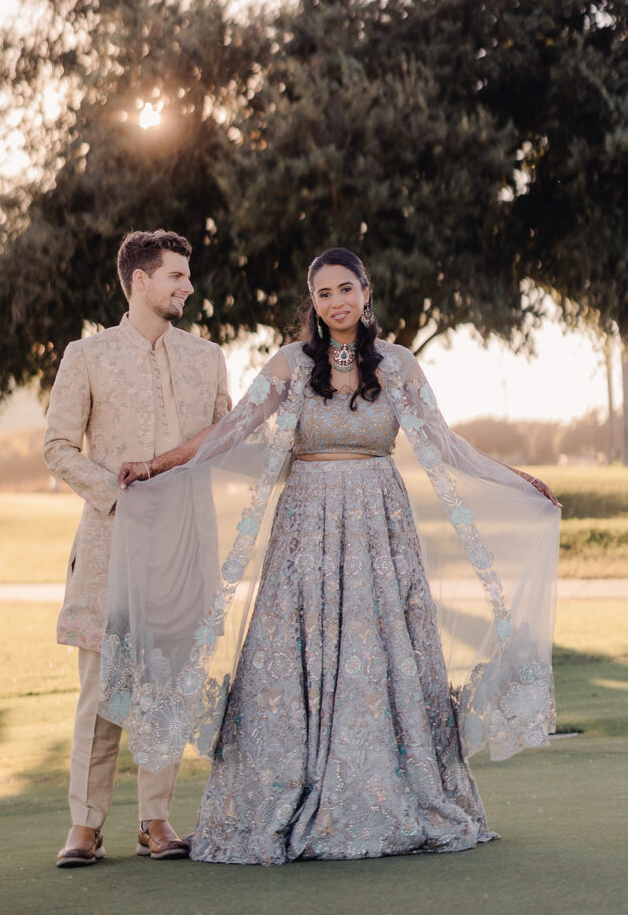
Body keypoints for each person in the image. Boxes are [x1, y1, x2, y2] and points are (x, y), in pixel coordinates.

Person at [101, 247, 561, 865]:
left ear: (366, 292)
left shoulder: (398, 365)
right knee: (295, 658)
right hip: (306, 533)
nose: (336, 302)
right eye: (323, 294)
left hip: (380, 528)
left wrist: (517, 479)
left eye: (346, 289)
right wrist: (156, 466)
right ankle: (285, 794)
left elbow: (446, 444)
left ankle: (400, 794)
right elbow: (230, 429)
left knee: (382, 658)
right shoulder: (290, 365)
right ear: (312, 304)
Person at [43, 229, 230, 867]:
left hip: (182, 549)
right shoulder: (86, 356)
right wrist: (120, 494)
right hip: (109, 548)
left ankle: (156, 820)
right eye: (176, 275)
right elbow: (58, 446)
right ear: (140, 280)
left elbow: (225, 440)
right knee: (101, 695)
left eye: (187, 275)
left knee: (170, 689)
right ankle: (84, 827)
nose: (187, 285)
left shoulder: (208, 359)